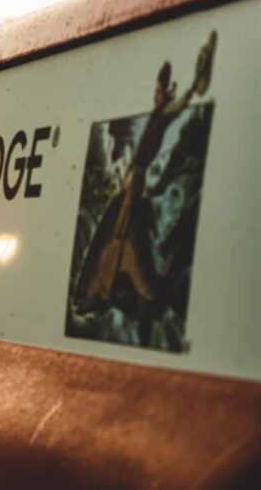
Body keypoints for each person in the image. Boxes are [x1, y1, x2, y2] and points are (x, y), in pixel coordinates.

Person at [73, 30, 217, 320]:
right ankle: (102, 292)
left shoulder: (164, 115)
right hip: (130, 185)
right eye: (156, 89)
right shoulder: (158, 114)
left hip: (135, 186)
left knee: (127, 249)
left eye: (160, 89)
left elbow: (180, 107)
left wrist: (192, 89)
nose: (157, 94)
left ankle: (111, 292)